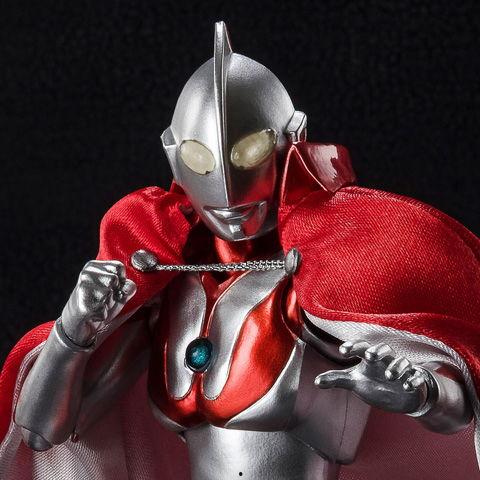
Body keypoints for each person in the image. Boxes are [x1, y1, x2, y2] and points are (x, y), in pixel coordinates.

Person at [0, 21, 479, 480]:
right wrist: (72, 329)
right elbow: (41, 432)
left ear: (293, 141)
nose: (228, 186)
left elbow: (460, 406)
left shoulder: (323, 277)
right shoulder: (168, 285)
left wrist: (421, 393)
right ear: (174, 155)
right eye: (200, 157)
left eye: (249, 151)